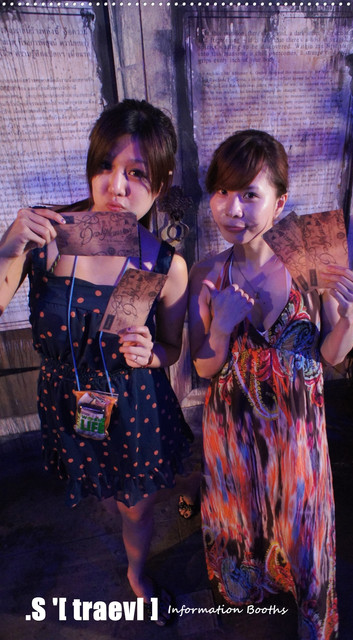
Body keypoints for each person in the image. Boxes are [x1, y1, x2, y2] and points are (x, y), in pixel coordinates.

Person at [0, 99, 192, 625]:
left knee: (137, 506)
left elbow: (172, 348)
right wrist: (6, 248)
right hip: (68, 401)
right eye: (105, 166)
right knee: (103, 493)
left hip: (134, 407)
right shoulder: (45, 239)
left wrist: (152, 354)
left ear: (161, 182)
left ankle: (137, 573)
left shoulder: (164, 263)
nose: (116, 186)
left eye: (136, 173)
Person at [188, 129, 353, 639]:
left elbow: (331, 356)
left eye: (250, 194)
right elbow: (204, 368)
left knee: (305, 536)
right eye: (222, 191)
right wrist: (220, 328)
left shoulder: (310, 259)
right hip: (234, 440)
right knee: (241, 534)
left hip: (297, 440)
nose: (232, 208)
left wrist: (351, 318)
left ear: (279, 202)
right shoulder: (207, 272)